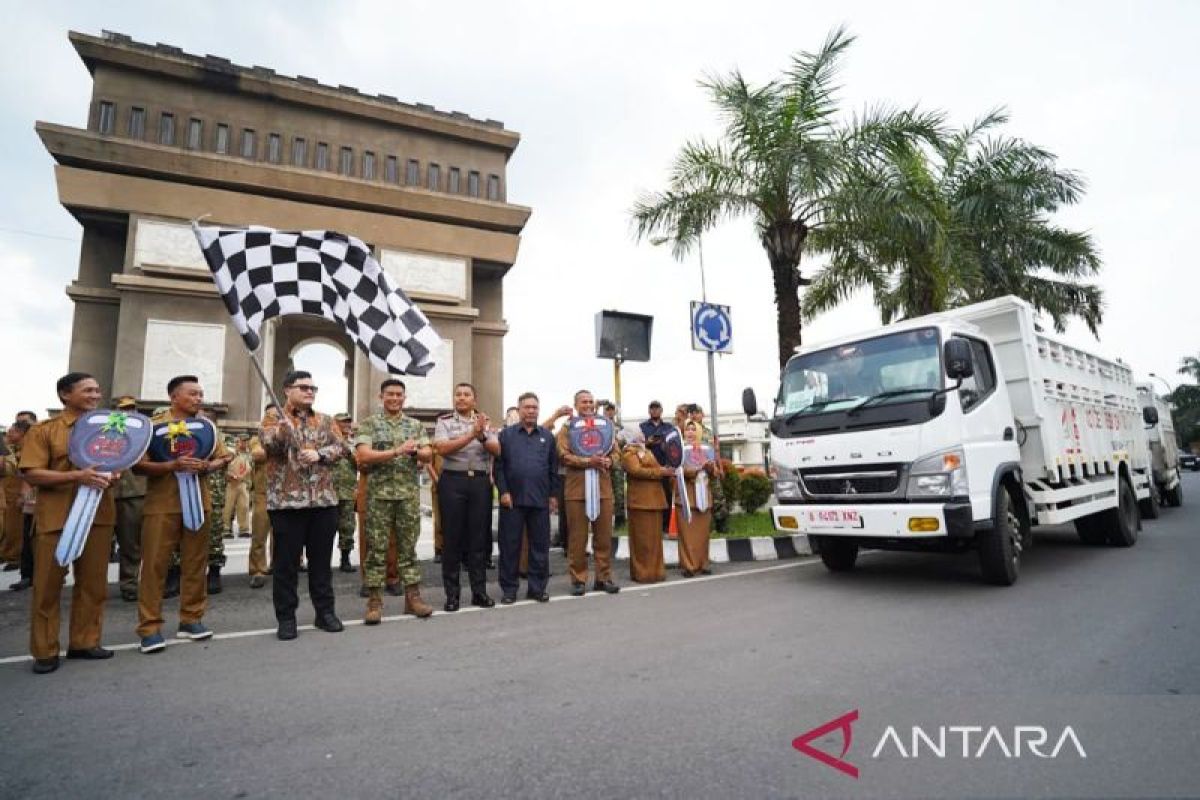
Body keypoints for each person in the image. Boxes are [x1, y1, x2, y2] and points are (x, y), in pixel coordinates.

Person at [19, 373, 117, 674]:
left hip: (97, 517)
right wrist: (77, 476)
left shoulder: (109, 428)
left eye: (97, 390)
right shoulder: (44, 431)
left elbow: (117, 463)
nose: (95, 395)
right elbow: (32, 473)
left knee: (93, 585)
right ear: (65, 395)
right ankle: (45, 650)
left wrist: (114, 473)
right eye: (87, 390)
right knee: (47, 586)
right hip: (56, 518)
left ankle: (84, 642)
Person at [133, 375, 232, 653]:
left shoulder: (206, 427)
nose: (199, 399)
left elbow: (224, 457)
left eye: (201, 394)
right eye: (192, 394)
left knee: (195, 563)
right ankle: (149, 628)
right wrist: (171, 466)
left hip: (199, 502)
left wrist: (207, 466)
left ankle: (191, 619)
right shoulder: (153, 427)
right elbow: (138, 466)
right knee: (154, 566)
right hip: (162, 505)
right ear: (174, 397)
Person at [259, 370, 350, 640]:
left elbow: (343, 448)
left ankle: (325, 613)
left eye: (313, 388)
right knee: (286, 565)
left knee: (321, 563)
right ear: (287, 390)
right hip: (287, 504)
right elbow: (268, 446)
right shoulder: (273, 418)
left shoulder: (324, 420)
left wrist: (320, 454)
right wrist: (283, 433)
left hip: (323, 502)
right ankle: (286, 618)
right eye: (304, 387)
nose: (310, 391)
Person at [355, 378, 435, 623]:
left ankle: (413, 599)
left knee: (408, 549)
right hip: (379, 497)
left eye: (399, 394)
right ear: (381, 397)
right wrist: (396, 451)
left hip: (408, 497)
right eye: (390, 394)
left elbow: (428, 453)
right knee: (376, 551)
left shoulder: (415, 425)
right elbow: (363, 454)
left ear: (404, 397)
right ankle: (375, 602)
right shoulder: (369, 424)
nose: (394, 398)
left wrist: (416, 451)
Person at [433, 382, 500, 611]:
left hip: (479, 482)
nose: (461, 398)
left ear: (474, 399)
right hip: (453, 480)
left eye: (467, 394)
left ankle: (479, 592)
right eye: (458, 394)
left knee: (478, 540)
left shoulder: (484, 421)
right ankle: (452, 595)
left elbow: (496, 450)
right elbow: (442, 449)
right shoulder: (444, 422)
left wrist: (482, 435)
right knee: (452, 540)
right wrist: (472, 433)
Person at [495, 392, 559, 603]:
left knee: (540, 547)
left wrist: (553, 495)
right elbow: (499, 467)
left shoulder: (548, 437)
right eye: (527, 407)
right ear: (519, 409)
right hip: (512, 500)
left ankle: (537, 588)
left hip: (540, 500)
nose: (531, 411)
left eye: (534, 407)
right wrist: (503, 491)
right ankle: (509, 590)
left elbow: (553, 469)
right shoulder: (506, 435)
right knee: (509, 547)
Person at [555, 389, 620, 596]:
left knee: (603, 537)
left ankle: (603, 578)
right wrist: (587, 461)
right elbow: (563, 455)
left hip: (603, 489)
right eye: (583, 402)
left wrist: (610, 460)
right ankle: (578, 579)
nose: (588, 405)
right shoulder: (568, 428)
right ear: (576, 405)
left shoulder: (606, 425)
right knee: (577, 538)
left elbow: (616, 451)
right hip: (577, 490)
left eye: (591, 401)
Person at [621, 429, 671, 583]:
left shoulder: (646, 450)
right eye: (637, 433)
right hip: (640, 502)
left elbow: (651, 468)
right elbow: (636, 471)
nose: (641, 435)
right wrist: (660, 472)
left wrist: (662, 470)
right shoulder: (629, 453)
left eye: (641, 433)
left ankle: (656, 572)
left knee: (655, 540)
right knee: (642, 540)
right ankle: (642, 573)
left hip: (655, 500)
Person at [111, 396, 146, 602]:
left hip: (134, 491)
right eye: (123, 410)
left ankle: (129, 584)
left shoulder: (144, 433)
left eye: (132, 409)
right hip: (105, 492)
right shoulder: (104, 433)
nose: (128, 413)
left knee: (131, 543)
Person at [676, 421, 718, 577]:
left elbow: (715, 473)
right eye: (688, 429)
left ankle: (703, 563)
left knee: (703, 534)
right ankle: (689, 566)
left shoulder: (707, 449)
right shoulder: (679, 449)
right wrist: (697, 469)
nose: (691, 432)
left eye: (694, 429)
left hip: (704, 497)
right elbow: (678, 469)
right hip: (686, 496)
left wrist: (710, 467)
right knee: (687, 535)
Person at [639, 400, 676, 533]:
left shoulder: (668, 426)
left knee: (666, 495)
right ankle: (652, 526)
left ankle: (665, 526)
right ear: (649, 411)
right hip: (649, 467)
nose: (655, 411)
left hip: (665, 465)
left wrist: (665, 443)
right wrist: (647, 442)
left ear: (661, 410)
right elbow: (638, 445)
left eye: (657, 408)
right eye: (652, 408)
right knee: (650, 496)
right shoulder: (642, 426)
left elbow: (674, 444)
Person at [331, 413, 358, 573]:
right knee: (325, 529)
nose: (347, 425)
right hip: (328, 492)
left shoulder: (354, 443)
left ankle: (345, 559)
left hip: (347, 492)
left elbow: (359, 461)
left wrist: (346, 447)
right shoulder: (326, 441)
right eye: (343, 422)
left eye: (349, 422)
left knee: (347, 526)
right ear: (335, 424)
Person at [2, 421, 30, 571]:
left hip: (20, 494)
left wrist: (22, 495)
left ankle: (15, 557)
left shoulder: (29, 450)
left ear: (21, 433)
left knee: (16, 527)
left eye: (12, 432)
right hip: (8, 493)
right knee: (9, 526)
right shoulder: (13, 450)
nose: (8, 435)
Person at [247, 428, 272, 589]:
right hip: (264, 493)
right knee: (259, 534)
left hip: (285, 493)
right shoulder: (258, 438)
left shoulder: (292, 433)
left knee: (284, 536)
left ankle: (279, 565)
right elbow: (257, 454)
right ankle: (258, 571)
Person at [601, 401, 627, 528]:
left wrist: (619, 440)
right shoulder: (599, 424)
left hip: (616, 462)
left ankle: (620, 518)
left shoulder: (620, 427)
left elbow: (625, 443)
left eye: (612, 410)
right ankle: (603, 519)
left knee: (619, 491)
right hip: (601, 462)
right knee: (603, 491)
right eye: (607, 410)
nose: (610, 412)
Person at [222, 437, 252, 539]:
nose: (238, 444)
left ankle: (244, 529)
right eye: (237, 442)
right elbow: (223, 470)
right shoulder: (226, 456)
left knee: (244, 507)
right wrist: (230, 476)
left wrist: (241, 476)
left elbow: (248, 468)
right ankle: (226, 529)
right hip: (230, 485)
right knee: (228, 508)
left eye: (239, 442)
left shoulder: (243, 456)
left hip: (242, 484)